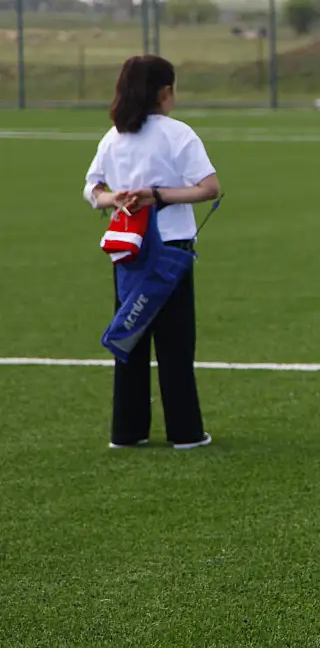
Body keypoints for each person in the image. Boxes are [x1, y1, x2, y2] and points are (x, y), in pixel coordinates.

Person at [83, 55, 221, 450]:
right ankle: (185, 432)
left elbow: (92, 190)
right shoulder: (177, 134)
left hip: (128, 249)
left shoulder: (115, 136)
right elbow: (209, 187)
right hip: (171, 249)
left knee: (131, 336)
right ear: (165, 91)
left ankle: (128, 432)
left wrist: (115, 198)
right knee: (176, 343)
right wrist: (158, 196)